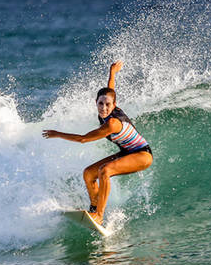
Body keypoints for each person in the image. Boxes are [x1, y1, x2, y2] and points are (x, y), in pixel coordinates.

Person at [42, 61, 153, 224]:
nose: (103, 108)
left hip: (142, 154)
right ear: (96, 102)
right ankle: (94, 209)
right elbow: (110, 90)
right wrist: (112, 72)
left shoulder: (112, 123)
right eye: (100, 103)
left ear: (114, 105)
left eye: (108, 105)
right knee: (88, 173)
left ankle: (99, 216)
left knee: (105, 171)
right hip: (126, 152)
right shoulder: (107, 108)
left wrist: (57, 134)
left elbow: (83, 139)